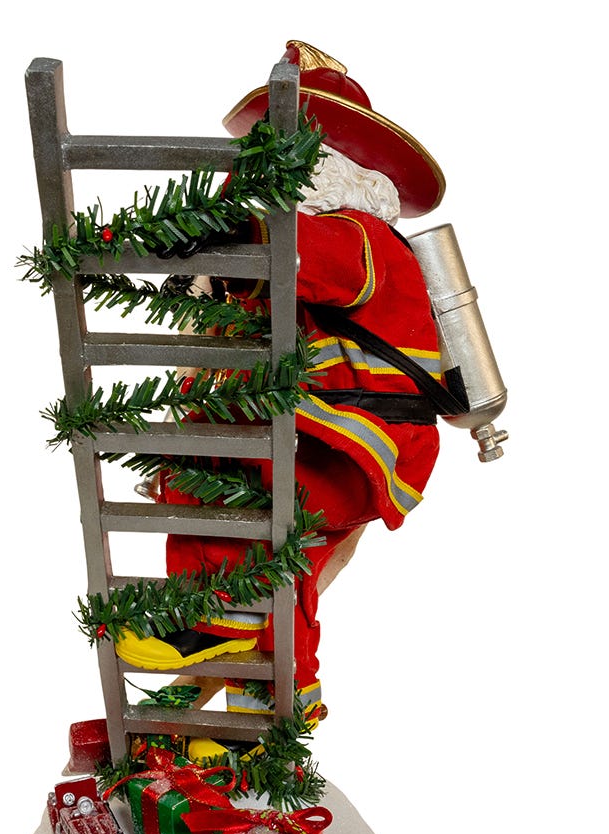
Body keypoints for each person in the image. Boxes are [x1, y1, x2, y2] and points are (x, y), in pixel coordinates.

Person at [116, 40, 447, 722]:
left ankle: (227, 634)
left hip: (360, 440)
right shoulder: (279, 249)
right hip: (307, 430)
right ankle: (243, 683)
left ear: (338, 168)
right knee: (232, 505)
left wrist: (218, 226)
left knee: (258, 503)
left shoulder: (361, 237)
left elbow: (301, 255)